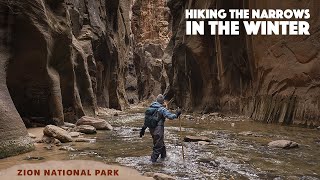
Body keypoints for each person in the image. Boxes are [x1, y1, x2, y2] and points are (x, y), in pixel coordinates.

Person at [140, 94, 182, 163]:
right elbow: (170, 116)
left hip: (152, 130)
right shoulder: (162, 109)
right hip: (158, 130)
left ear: (156, 101)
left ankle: (163, 158)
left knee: (161, 144)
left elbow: (146, 120)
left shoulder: (150, 108)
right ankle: (151, 163)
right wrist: (176, 114)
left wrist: (143, 129)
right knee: (158, 146)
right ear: (162, 102)